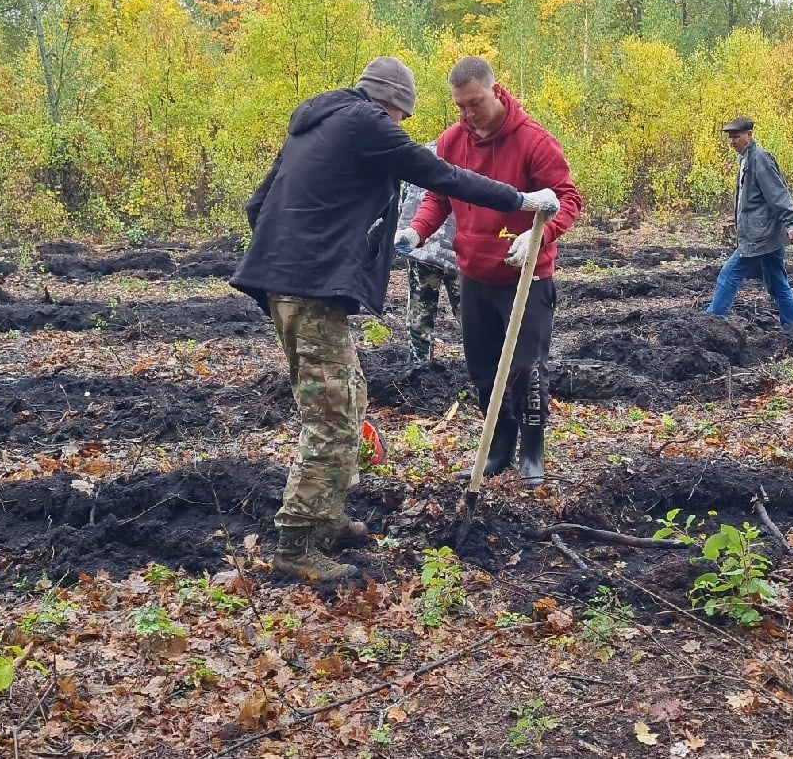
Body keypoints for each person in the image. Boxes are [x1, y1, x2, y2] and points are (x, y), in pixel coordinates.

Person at [233, 56, 560, 582]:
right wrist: (520, 200)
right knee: (334, 417)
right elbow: (441, 178)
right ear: (390, 104)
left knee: (351, 394)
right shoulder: (365, 123)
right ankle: (297, 541)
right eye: (401, 117)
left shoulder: (319, 120)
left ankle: (328, 514)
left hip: (294, 284)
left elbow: (259, 204)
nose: (401, 127)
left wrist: (297, 253)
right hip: (309, 289)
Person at [396, 57, 582, 486]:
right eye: (459, 106)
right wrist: (415, 232)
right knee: (483, 369)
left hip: (526, 279)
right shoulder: (450, 142)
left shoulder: (534, 142)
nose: (467, 115)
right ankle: (498, 449)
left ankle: (531, 453)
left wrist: (538, 236)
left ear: (496, 92)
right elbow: (438, 199)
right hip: (475, 276)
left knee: (526, 369)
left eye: (475, 104)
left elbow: (568, 199)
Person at [705, 116, 793, 326]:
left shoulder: (760, 159)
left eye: (736, 137)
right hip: (764, 234)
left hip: (759, 236)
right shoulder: (745, 159)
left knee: (728, 275)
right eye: (730, 138)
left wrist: (792, 223)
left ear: (749, 135)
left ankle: (710, 322)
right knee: (777, 282)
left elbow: (778, 194)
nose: (732, 142)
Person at [397, 166, 461, 366]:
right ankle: (484, 370)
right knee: (469, 314)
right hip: (457, 249)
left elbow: (404, 199)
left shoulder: (423, 155)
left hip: (422, 246)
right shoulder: (472, 153)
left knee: (420, 313)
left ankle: (418, 366)